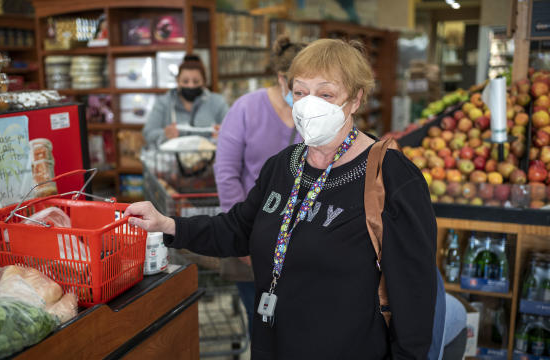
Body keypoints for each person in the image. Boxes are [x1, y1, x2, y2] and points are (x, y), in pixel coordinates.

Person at [124, 39, 437, 359]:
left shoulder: (393, 177)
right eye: (300, 92)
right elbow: (236, 230)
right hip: (272, 344)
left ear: (356, 99)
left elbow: (414, 294)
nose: (309, 104)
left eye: (326, 94)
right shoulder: (284, 165)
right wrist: (167, 224)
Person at [213, 35, 305, 336]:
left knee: (298, 326)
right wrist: (242, 234)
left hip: (302, 236)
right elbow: (226, 171)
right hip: (254, 232)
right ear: (282, 78)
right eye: (300, 85)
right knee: (263, 326)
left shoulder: (314, 113)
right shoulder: (246, 108)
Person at [142, 54, 228, 147]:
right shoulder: (163, 103)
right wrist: (164, 134)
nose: (190, 86)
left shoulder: (217, 102)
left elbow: (233, 131)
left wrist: (223, 134)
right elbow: (148, 133)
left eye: (196, 82)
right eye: (185, 81)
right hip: (171, 159)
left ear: (204, 82)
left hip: (209, 159)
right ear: (177, 81)